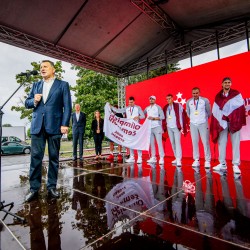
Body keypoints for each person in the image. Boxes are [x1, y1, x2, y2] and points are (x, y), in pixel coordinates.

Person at [25, 60, 72, 202]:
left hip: (55, 125)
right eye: (41, 67)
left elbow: (67, 106)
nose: (42, 69)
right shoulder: (36, 85)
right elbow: (27, 103)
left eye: (45, 67)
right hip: (37, 126)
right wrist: (34, 100)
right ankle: (34, 189)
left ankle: (51, 187)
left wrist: (65, 124)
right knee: (35, 158)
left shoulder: (62, 85)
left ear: (53, 69)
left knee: (53, 158)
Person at [210, 77, 246, 174]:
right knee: (221, 142)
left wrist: (230, 115)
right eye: (225, 82)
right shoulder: (218, 96)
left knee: (235, 143)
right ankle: (222, 163)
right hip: (222, 123)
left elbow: (240, 107)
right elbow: (216, 110)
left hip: (234, 121)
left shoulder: (236, 94)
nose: (227, 84)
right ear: (222, 84)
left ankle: (235, 165)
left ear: (231, 84)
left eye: (229, 82)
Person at [111, 96, 145, 163]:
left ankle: (139, 157)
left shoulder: (138, 108)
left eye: (131, 102)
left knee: (138, 143)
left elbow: (143, 116)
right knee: (130, 143)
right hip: (129, 128)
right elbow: (118, 110)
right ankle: (132, 157)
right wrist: (111, 107)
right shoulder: (127, 108)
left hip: (136, 128)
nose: (130, 104)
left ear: (134, 101)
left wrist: (138, 117)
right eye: (129, 102)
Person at [186, 87, 211, 169]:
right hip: (193, 124)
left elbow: (209, 112)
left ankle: (207, 160)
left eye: (196, 93)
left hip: (203, 123)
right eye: (193, 93)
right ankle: (196, 159)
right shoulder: (189, 102)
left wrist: (203, 119)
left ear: (199, 93)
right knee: (194, 142)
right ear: (192, 93)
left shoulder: (205, 100)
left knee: (205, 142)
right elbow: (188, 113)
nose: (195, 95)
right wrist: (193, 120)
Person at [163, 94, 188, 166]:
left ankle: (179, 159)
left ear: (172, 98)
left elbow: (183, 114)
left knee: (177, 143)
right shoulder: (166, 107)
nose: (168, 100)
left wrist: (182, 124)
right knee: (172, 142)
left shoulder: (178, 105)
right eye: (167, 99)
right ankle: (176, 157)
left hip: (176, 127)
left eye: (169, 98)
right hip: (169, 127)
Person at [144, 96, 165, 164]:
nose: (151, 100)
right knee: (152, 143)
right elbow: (142, 115)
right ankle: (153, 157)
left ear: (155, 100)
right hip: (150, 128)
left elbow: (162, 117)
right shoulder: (147, 108)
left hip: (157, 127)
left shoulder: (158, 107)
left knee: (159, 143)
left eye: (152, 99)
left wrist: (153, 118)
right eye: (150, 99)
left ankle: (161, 157)